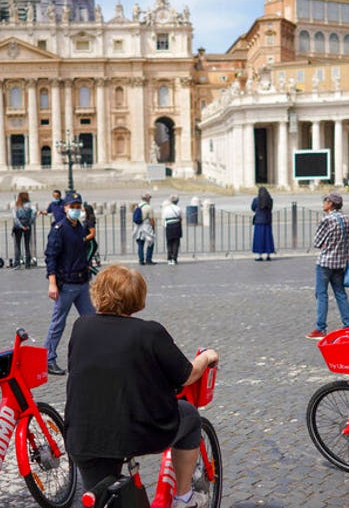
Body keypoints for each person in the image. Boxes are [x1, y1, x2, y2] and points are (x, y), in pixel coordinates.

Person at [65, 265, 219, 508]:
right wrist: (206, 357)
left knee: (102, 497)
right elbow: (187, 375)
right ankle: (184, 497)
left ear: (97, 294)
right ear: (138, 297)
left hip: (84, 432)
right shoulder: (149, 332)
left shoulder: (81, 327)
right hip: (136, 430)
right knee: (189, 415)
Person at [44, 191, 95, 376]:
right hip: (66, 284)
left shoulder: (79, 227)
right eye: (71, 207)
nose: (75, 210)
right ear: (65, 208)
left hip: (81, 282)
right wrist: (52, 283)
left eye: (77, 207)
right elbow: (51, 256)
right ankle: (48, 359)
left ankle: (94, 355)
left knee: (92, 320)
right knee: (58, 322)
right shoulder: (59, 229)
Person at [307, 193, 349, 339]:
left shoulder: (327, 220)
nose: (323, 203)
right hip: (340, 262)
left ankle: (321, 328)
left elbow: (317, 242)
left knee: (321, 294)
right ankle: (348, 325)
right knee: (340, 294)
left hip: (326, 262)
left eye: (325, 200)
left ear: (331, 203)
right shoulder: (346, 219)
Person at [12, 191, 36, 269]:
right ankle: (28, 263)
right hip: (27, 226)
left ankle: (17, 263)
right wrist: (28, 224)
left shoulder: (16, 205)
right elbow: (33, 216)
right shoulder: (30, 206)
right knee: (27, 245)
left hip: (18, 227)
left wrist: (21, 226)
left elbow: (15, 218)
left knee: (17, 245)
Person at [251, 187, 275, 261]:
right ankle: (268, 255)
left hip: (259, 222)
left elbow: (252, 208)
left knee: (259, 239)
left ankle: (259, 255)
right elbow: (271, 209)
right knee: (267, 239)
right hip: (267, 221)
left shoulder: (256, 200)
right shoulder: (270, 200)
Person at [134, 192, 156, 265]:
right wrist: (153, 228)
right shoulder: (149, 207)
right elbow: (151, 219)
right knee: (150, 243)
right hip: (146, 227)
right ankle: (148, 259)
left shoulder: (137, 206)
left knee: (140, 244)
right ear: (147, 199)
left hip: (138, 227)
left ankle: (141, 260)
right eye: (149, 198)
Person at [162, 195, 183, 265]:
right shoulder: (178, 208)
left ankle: (169, 258)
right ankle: (174, 258)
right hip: (177, 226)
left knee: (169, 243)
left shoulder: (166, 209)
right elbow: (181, 217)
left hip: (169, 226)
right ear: (177, 201)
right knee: (176, 243)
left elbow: (164, 218)